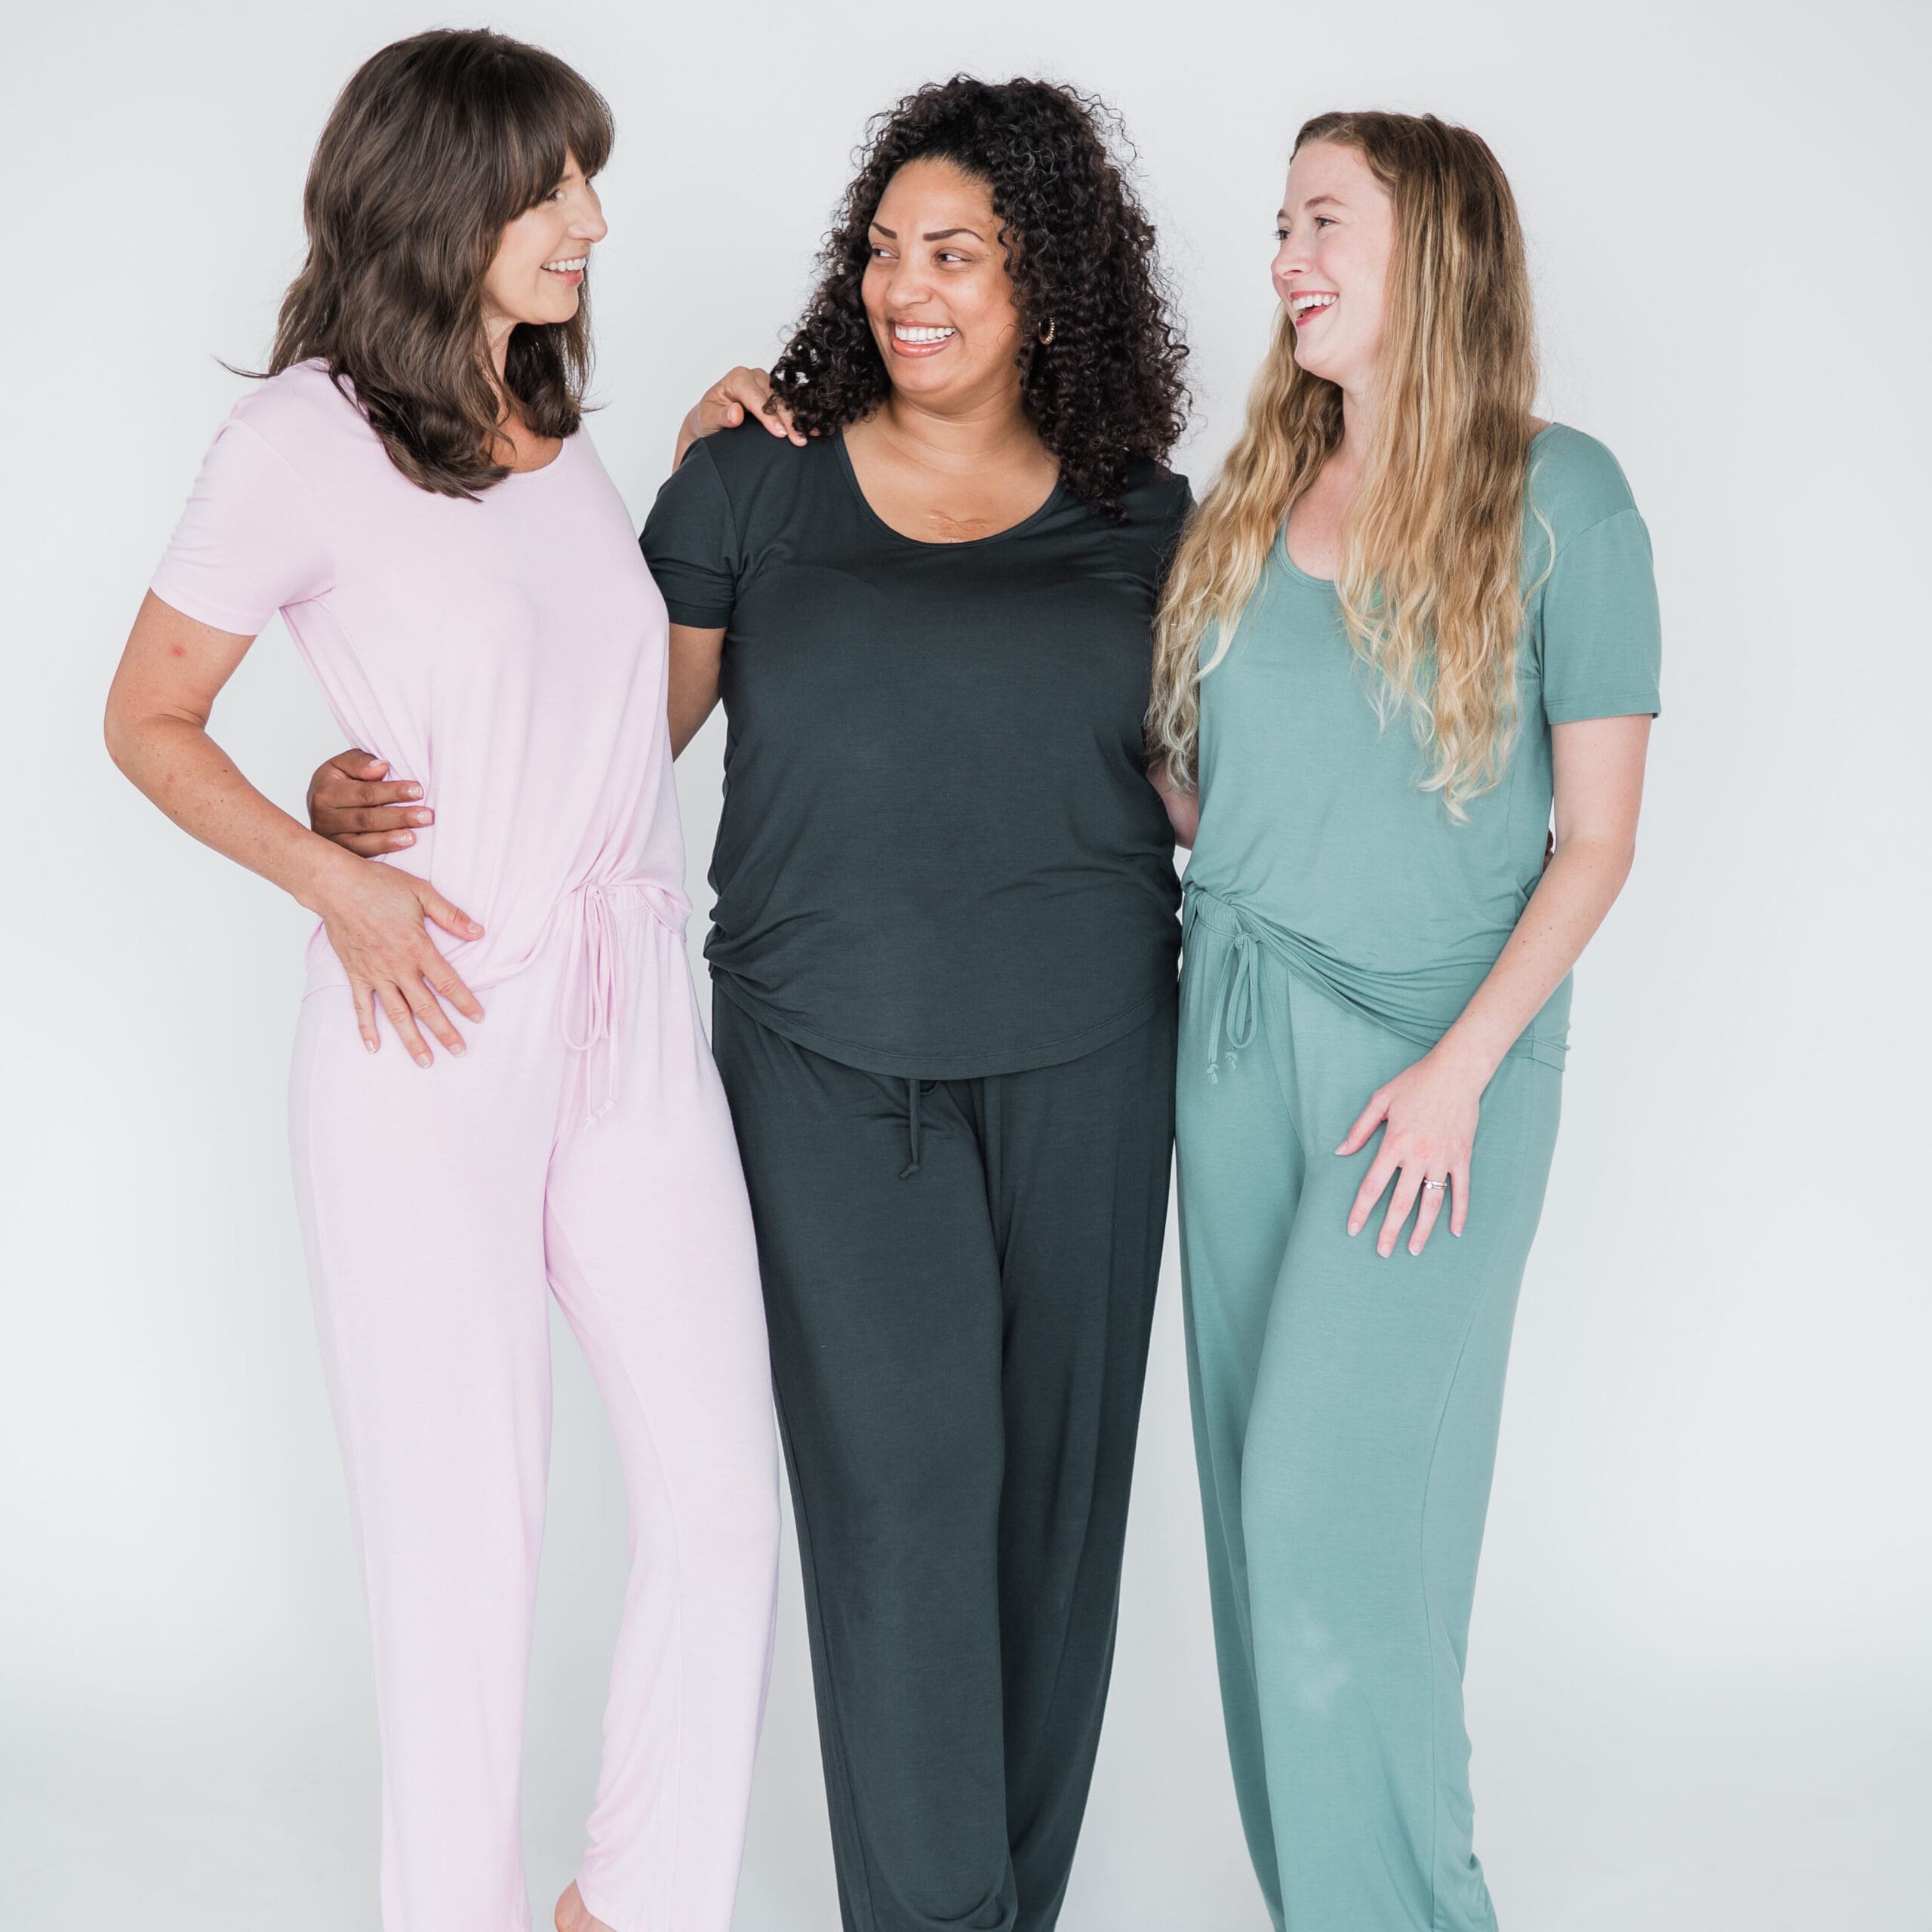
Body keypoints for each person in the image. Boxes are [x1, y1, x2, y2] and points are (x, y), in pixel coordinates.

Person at [312, 73, 1191, 1932]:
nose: (902, 287)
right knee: (900, 1509)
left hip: (1093, 1053)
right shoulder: (750, 476)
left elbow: (1211, 786)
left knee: (1053, 1520)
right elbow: (582, 735)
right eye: (881, 249)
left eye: (952, 252)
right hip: (820, 1058)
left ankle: (1005, 1907)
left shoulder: (1146, 512)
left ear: (1056, 285)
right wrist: (341, 800)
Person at [103, 32, 778, 1932]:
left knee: (725, 1504)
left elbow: (613, 725)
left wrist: (716, 493)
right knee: (461, 1542)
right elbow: (147, 716)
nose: (591, 217)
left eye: (589, 176)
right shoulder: (295, 440)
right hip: (434, 1016)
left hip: (631, 994)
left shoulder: (562, 430)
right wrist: (336, 875)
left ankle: (632, 1907)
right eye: (553, 180)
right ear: (439, 196)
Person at [1145, 109, 1660, 1932]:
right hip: (1231, 1049)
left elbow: (1591, 844)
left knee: (1327, 1528)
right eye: (1280, 219)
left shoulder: (1561, 494)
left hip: (1436, 1074)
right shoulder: (1246, 508)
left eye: (1323, 221)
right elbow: (1219, 802)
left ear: (1430, 251)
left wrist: (1453, 1074)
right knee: (1252, 1531)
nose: (1285, 254)